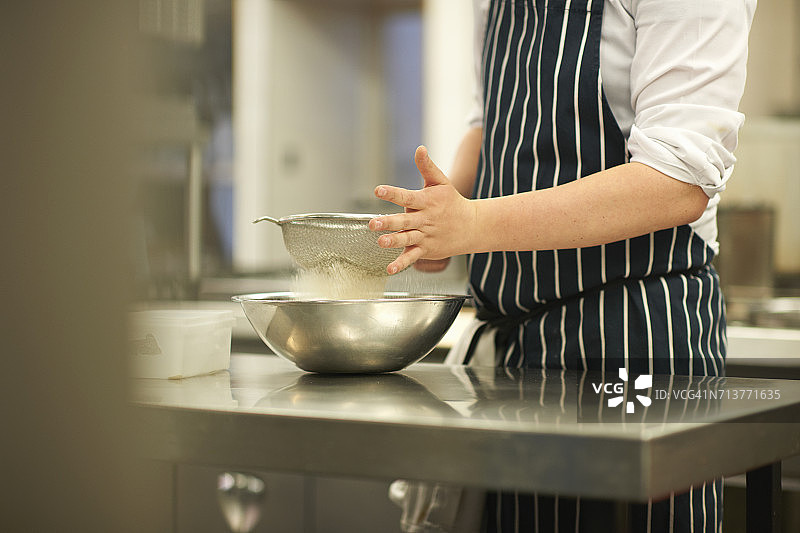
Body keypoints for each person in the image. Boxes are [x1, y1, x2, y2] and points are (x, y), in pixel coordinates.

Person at [371, 0, 756, 531]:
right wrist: (438, 216)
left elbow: (675, 182)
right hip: (513, 355)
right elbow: (493, 121)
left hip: (635, 340)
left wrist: (474, 225)